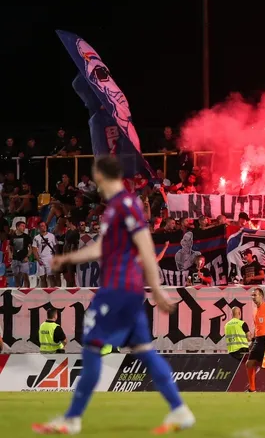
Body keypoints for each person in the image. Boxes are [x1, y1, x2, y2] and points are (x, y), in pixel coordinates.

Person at [32, 156, 195, 435]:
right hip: (125, 291)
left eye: (95, 177)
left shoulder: (125, 205)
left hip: (117, 290)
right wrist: (67, 258)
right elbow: (101, 249)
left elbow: (145, 245)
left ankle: (72, 419)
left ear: (102, 177)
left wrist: (156, 290)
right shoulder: (115, 209)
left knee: (92, 346)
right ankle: (180, 410)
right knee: (144, 351)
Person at [33, 221, 58, 288]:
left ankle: (53, 293)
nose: (44, 227)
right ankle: (44, 294)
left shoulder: (51, 236)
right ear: (39, 227)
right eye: (42, 226)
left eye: (44, 225)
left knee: (51, 276)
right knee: (42, 277)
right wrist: (38, 259)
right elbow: (34, 249)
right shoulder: (36, 238)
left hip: (50, 258)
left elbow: (56, 247)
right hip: (41, 259)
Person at [10, 220, 32, 288]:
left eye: (24, 226)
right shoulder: (13, 236)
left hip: (24, 259)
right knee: (16, 276)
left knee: (25, 276)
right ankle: (18, 289)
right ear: (17, 227)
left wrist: (27, 256)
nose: (24, 228)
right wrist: (10, 254)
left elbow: (31, 248)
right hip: (15, 259)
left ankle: (27, 291)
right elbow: (10, 247)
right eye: (22, 226)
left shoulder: (27, 237)